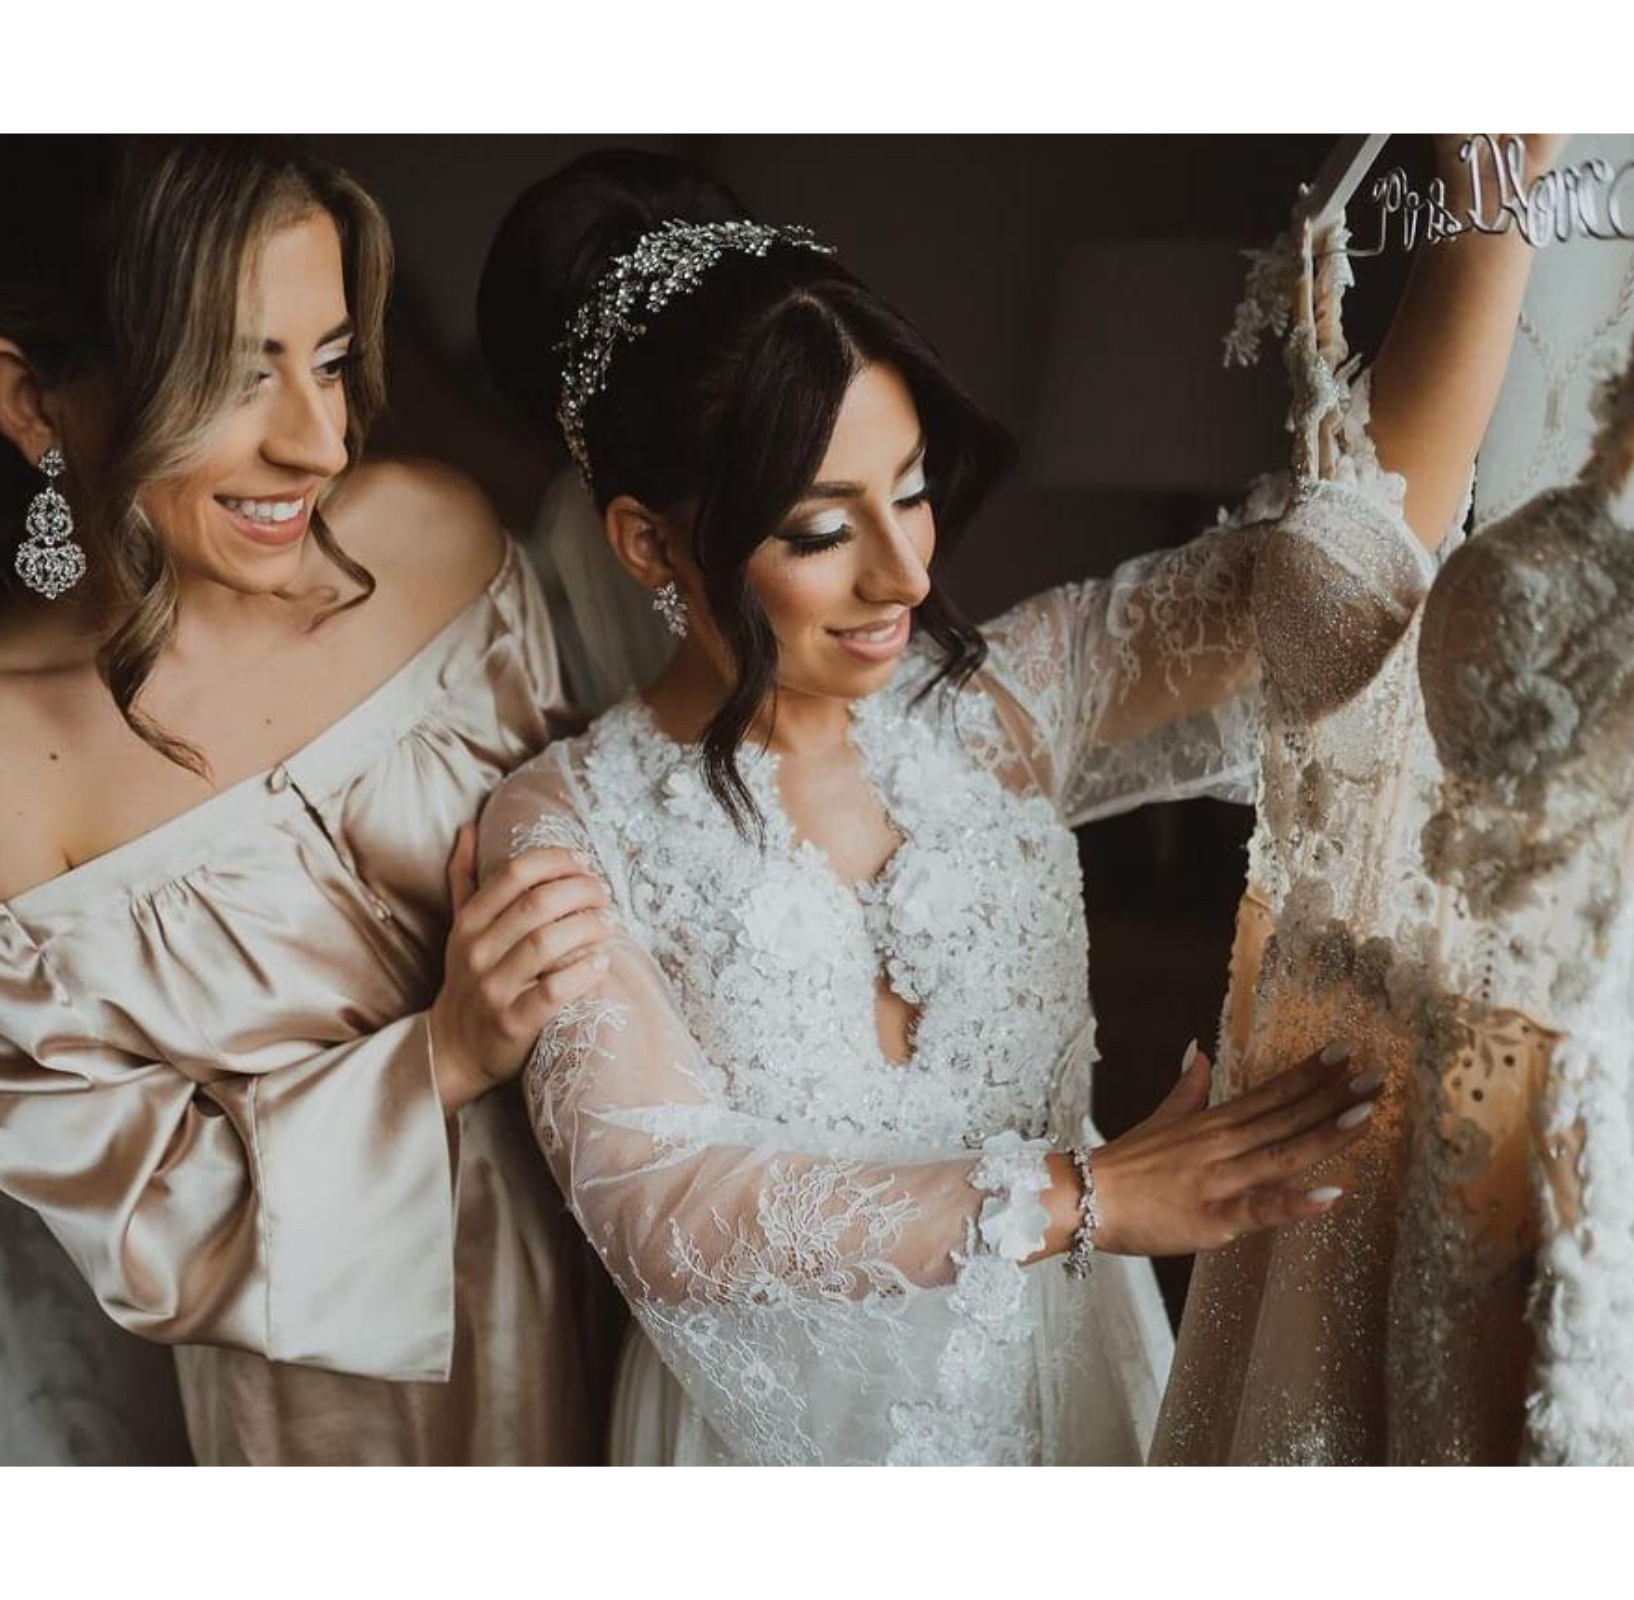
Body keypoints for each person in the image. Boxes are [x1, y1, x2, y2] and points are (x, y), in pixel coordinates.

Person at [467, 146, 1538, 1464]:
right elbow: (663, 1209)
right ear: (648, 542)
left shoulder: (1009, 702)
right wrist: (1088, 1196)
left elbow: (1349, 572)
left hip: (1066, 1403)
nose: (904, 570)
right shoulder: (561, 821)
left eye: (911, 490)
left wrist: (1496, 204)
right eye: (820, 530)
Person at [0, 135, 605, 1464]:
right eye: (236, 375)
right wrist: (441, 1058)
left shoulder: (434, 543)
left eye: (332, 360)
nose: (321, 440)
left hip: (645, 1238)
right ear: (34, 400)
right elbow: (151, 1221)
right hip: (363, 1393)